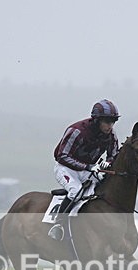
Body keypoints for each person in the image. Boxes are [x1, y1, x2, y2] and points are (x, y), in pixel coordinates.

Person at [48, 99, 120, 240]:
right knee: (75, 190)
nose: (110, 126)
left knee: (104, 187)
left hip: (89, 170)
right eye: (107, 121)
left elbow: (114, 154)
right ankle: (58, 224)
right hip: (66, 168)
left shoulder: (111, 135)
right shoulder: (76, 131)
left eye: (113, 122)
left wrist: (108, 162)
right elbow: (61, 156)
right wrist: (87, 166)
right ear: (96, 120)